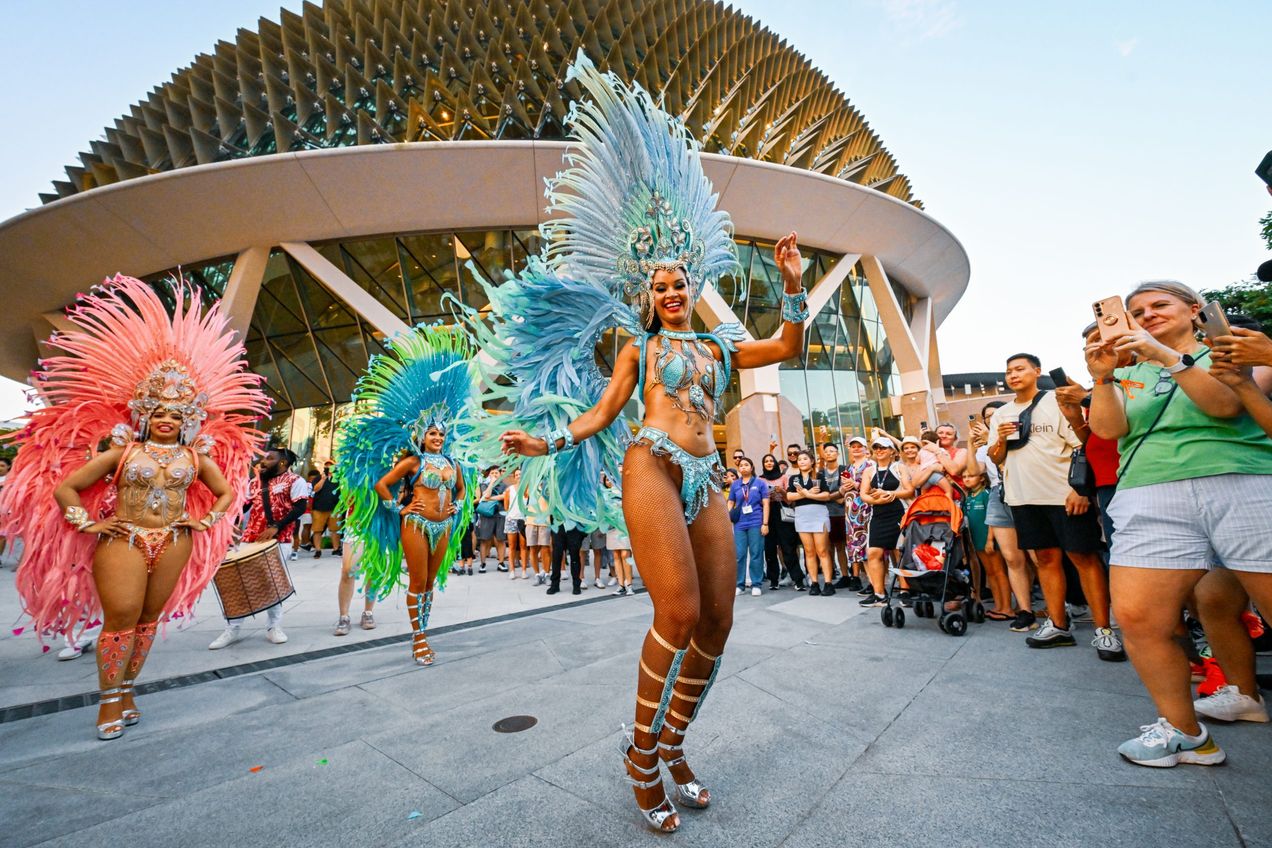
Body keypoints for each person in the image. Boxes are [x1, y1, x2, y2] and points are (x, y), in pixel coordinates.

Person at [482, 57, 808, 833]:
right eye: (658, 284)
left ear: (692, 283)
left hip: (708, 473)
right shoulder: (638, 345)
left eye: (678, 281)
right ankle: (638, 754)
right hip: (653, 465)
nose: (669, 290)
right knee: (678, 606)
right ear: (646, 293)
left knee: (720, 619)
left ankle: (674, 741)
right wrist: (549, 440)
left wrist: (792, 278)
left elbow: (788, 344)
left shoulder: (724, 342)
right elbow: (602, 414)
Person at [0, 275, 264, 739]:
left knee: (147, 620)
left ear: (189, 419)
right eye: (159, 412)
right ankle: (106, 701)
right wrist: (90, 523)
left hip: (176, 539)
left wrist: (205, 520)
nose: (166, 420)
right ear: (144, 414)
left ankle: (128, 690)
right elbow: (67, 489)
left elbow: (225, 492)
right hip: (123, 537)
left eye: (176, 414)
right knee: (120, 619)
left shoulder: (194, 457)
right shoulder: (120, 453)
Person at [1087, 281, 1272, 766]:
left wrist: (1165, 355)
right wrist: (1102, 378)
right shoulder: (1133, 369)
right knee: (1140, 619)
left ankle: (1239, 696)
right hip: (1150, 491)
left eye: (1158, 305)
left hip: (1240, 481)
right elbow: (1108, 431)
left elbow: (1226, 405)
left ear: (1194, 310)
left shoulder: (1228, 348)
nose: (1146, 315)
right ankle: (1185, 732)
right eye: (1136, 311)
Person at [337, 325, 476, 667]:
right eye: (432, 432)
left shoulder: (452, 462)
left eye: (441, 433)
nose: (438, 437)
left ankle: (424, 629)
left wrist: (457, 505)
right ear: (421, 434)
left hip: (442, 526)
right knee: (417, 580)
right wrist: (399, 507)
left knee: (430, 581)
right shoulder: (411, 461)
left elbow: (460, 488)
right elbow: (382, 484)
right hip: (415, 523)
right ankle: (419, 638)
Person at [985, 353, 1122, 660]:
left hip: (1063, 494)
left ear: (1037, 371)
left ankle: (1104, 630)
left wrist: (1080, 490)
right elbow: (995, 457)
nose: (1013, 375)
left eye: (1020, 369)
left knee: (1083, 558)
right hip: (1023, 497)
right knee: (1044, 559)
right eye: (1008, 371)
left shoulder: (1055, 400)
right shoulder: (1001, 414)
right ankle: (1058, 624)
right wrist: (1002, 441)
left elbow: (1083, 443)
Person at [209, 448, 308, 649]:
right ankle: (233, 628)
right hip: (250, 538)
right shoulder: (255, 482)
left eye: (270, 458)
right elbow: (243, 507)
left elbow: (300, 508)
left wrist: (276, 527)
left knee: (272, 583)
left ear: (282, 463)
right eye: (264, 457)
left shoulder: (295, 481)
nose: (264, 461)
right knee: (238, 584)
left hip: (278, 540)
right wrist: (229, 525)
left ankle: (274, 627)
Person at [967, 401, 1037, 629]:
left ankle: (1060, 609)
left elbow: (1011, 463)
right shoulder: (981, 447)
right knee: (1011, 557)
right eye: (987, 416)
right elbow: (975, 471)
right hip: (999, 493)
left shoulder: (1017, 434)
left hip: (1023, 489)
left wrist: (993, 437)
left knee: (1038, 556)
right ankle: (1024, 610)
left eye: (996, 414)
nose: (991, 418)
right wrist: (970, 444)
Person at [858, 438, 915, 607]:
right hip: (878, 514)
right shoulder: (869, 470)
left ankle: (905, 591)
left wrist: (890, 494)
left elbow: (909, 490)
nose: (879, 450)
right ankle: (879, 594)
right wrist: (878, 501)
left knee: (899, 553)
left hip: (898, 512)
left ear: (892, 451)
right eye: (876, 447)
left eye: (883, 447)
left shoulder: (899, 467)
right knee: (874, 552)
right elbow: (864, 494)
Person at [786, 450, 834, 595]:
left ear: (812, 461)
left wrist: (805, 493)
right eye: (799, 459)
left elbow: (826, 495)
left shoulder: (819, 476)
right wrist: (807, 493)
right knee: (809, 551)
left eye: (805, 459)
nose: (801, 461)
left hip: (818, 513)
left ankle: (828, 583)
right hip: (802, 515)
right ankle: (814, 583)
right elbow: (789, 495)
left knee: (822, 551)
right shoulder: (794, 479)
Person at [728, 457, 769, 596]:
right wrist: (728, 516)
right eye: (741, 465)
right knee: (739, 554)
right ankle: (740, 584)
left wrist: (765, 523)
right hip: (740, 523)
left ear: (752, 468)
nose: (743, 467)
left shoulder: (760, 483)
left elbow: (766, 504)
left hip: (756, 522)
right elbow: (731, 502)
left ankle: (756, 584)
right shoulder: (735, 484)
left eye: (746, 465)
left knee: (756, 553)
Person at [760, 453, 801, 591]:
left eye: (771, 461)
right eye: (766, 461)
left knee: (788, 547)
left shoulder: (784, 477)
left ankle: (797, 579)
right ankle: (773, 580)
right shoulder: (760, 479)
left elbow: (790, 500)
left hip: (783, 512)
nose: (769, 463)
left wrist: (781, 491)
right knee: (770, 549)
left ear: (775, 463)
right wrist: (767, 496)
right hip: (766, 513)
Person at [839, 436, 872, 591]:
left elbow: (875, 486)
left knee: (868, 544)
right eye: (854, 446)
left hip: (866, 509)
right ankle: (856, 577)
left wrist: (856, 484)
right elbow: (840, 491)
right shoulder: (848, 469)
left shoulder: (870, 465)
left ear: (866, 448)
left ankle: (874, 582)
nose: (857, 448)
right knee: (853, 544)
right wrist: (844, 487)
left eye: (860, 446)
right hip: (850, 512)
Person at [819, 443, 851, 583]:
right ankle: (831, 572)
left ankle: (845, 575)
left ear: (838, 454)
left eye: (832, 451)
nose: (829, 453)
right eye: (826, 451)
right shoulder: (821, 473)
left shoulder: (844, 470)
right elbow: (821, 492)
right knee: (827, 546)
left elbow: (846, 492)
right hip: (824, 513)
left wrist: (831, 495)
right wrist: (836, 494)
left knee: (840, 546)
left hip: (840, 513)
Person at [333, 538, 376, 635]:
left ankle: (368, 612)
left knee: (374, 571)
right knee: (348, 571)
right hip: (356, 526)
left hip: (380, 528)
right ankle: (344, 617)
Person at [475, 467, 507, 572]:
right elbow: (486, 495)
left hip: (500, 514)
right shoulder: (484, 485)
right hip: (487, 515)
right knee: (484, 540)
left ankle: (501, 563)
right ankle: (483, 564)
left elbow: (503, 497)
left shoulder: (504, 486)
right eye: (492, 473)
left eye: (496, 473)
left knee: (501, 539)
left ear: (500, 474)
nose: (494, 474)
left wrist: (490, 498)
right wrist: (491, 483)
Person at [310, 461, 342, 558]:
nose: (328, 467)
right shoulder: (318, 478)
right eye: (327, 466)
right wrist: (323, 479)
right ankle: (318, 550)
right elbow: (315, 489)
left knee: (335, 530)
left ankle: (336, 549)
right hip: (319, 508)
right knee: (317, 530)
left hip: (335, 509)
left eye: (331, 465)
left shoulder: (338, 479)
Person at [523, 483, 552, 585]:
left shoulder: (549, 483)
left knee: (546, 549)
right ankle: (537, 574)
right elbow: (524, 494)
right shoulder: (531, 484)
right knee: (533, 549)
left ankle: (547, 574)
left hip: (545, 521)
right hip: (531, 520)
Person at [503, 468, 528, 579]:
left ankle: (523, 570)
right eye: (517, 474)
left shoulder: (527, 489)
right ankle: (512, 570)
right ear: (514, 476)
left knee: (523, 546)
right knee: (512, 546)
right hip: (511, 519)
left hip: (523, 520)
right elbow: (506, 506)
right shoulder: (509, 489)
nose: (519, 476)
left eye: (520, 474)